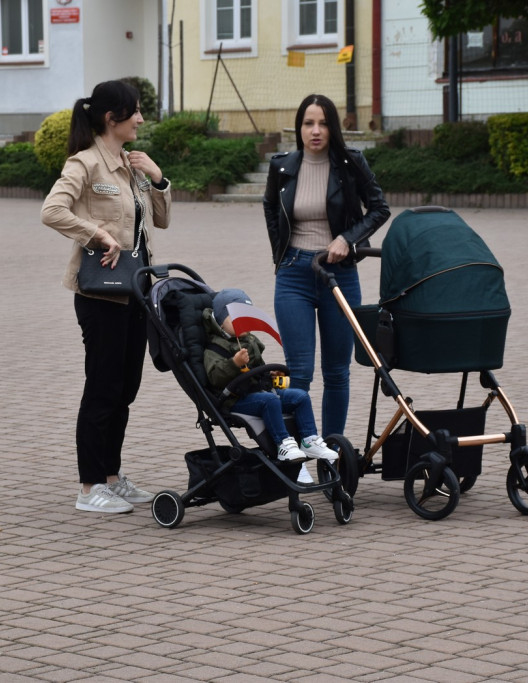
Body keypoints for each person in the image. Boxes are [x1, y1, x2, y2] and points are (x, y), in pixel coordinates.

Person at [41, 80, 172, 514]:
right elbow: (52, 210)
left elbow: (161, 220)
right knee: (102, 387)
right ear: (110, 118)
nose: (140, 118)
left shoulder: (130, 163)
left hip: (136, 290)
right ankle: (89, 486)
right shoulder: (85, 164)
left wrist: (157, 177)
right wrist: (95, 233)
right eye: (133, 112)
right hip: (100, 296)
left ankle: (112, 477)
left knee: (125, 389)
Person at [263, 94, 390, 440]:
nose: (315, 131)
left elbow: (379, 208)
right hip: (293, 277)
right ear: (299, 127)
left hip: (339, 276)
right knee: (299, 373)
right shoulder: (283, 166)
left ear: (333, 127)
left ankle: (331, 453)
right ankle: (300, 454)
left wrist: (348, 238)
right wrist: (282, 256)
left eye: (322, 123)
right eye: (308, 123)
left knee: (337, 372)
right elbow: (271, 208)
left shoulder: (351, 164)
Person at [203, 289, 338, 464]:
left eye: (246, 319)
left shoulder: (249, 342)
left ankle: (309, 440)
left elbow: (256, 369)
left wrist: (269, 373)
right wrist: (233, 363)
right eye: (235, 319)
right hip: (235, 400)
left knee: (300, 396)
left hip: (259, 391)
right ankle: (283, 443)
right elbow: (215, 377)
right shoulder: (213, 349)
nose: (242, 324)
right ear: (220, 322)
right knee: (269, 401)